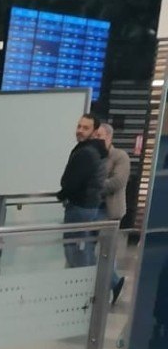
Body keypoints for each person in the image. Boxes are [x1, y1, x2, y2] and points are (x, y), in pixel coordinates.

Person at [58, 113, 107, 269]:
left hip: (80, 206)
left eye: (86, 128)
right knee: (84, 247)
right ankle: (106, 281)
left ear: (94, 132)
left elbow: (74, 181)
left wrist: (62, 194)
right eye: (79, 126)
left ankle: (84, 285)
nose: (80, 130)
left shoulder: (87, 152)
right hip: (87, 205)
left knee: (73, 249)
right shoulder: (93, 150)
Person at [95, 120, 131, 305]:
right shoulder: (95, 155)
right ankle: (114, 282)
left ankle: (113, 283)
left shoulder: (119, 156)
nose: (96, 139)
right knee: (95, 252)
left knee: (106, 251)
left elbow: (117, 182)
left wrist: (93, 187)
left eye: (99, 136)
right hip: (93, 208)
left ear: (109, 137)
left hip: (110, 210)